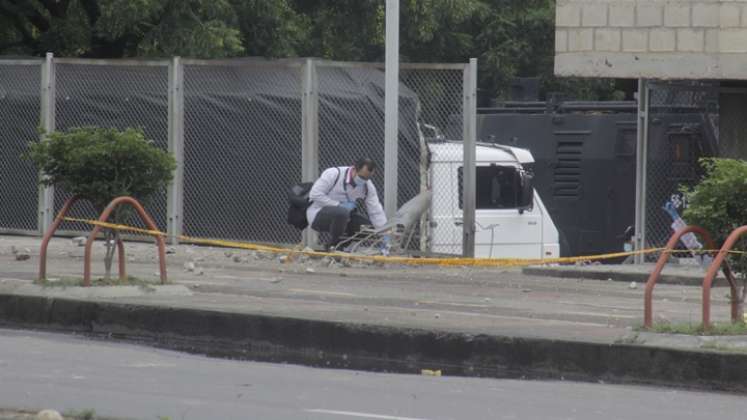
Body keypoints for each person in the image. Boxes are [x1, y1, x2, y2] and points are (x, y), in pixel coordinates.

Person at [307, 158, 387, 250]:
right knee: (342, 212)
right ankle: (333, 246)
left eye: (367, 178)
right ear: (354, 169)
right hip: (318, 213)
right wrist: (338, 205)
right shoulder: (334, 174)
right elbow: (314, 194)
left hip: (345, 218)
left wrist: (384, 234)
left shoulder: (367, 186)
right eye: (362, 177)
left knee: (367, 229)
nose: (364, 180)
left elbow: (376, 211)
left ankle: (338, 247)